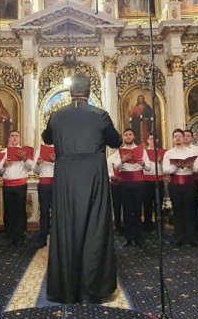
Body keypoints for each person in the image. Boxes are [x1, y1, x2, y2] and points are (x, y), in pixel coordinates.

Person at [42, 74, 122, 304]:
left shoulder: (57, 115)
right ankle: (92, 289)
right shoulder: (100, 115)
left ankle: (66, 290)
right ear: (88, 92)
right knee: (94, 228)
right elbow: (116, 142)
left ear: (70, 93)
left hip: (66, 175)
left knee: (66, 227)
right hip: (93, 175)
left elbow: (47, 138)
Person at [163, 128, 198, 247]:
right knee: (177, 211)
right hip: (175, 183)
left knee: (189, 210)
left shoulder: (191, 152)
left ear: (183, 138)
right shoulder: (169, 153)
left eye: (180, 136)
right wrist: (174, 168)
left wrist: (191, 167)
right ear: (173, 139)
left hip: (189, 182)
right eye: (175, 136)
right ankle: (178, 237)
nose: (178, 138)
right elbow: (164, 169)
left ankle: (191, 237)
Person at [111, 128, 151, 247]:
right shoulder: (119, 151)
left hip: (138, 181)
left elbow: (148, 167)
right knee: (127, 210)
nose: (128, 136)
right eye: (126, 135)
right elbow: (117, 167)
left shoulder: (141, 150)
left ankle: (138, 236)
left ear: (134, 136)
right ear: (124, 137)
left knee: (138, 210)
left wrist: (143, 164)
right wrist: (122, 160)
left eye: (130, 134)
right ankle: (128, 237)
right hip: (124, 182)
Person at [0, 130, 33, 246]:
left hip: (20, 184)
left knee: (20, 211)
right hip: (8, 185)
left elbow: (31, 167)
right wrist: (4, 164)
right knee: (9, 211)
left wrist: (25, 159)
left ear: (20, 139)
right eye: (12, 136)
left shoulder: (25, 152)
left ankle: (20, 234)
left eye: (16, 136)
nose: (14, 138)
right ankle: (10, 235)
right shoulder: (4, 152)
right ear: (9, 139)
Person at [34, 143, 56, 249]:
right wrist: (38, 164)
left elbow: (65, 169)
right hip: (43, 183)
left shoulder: (59, 149)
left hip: (57, 183)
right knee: (44, 211)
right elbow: (35, 171)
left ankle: (57, 238)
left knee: (57, 211)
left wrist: (56, 161)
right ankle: (42, 238)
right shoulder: (39, 151)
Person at [142, 134, 164, 233]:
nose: (152, 140)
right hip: (146, 181)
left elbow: (166, 168)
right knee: (147, 205)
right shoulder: (143, 152)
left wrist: (161, 161)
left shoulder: (162, 151)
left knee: (158, 204)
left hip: (158, 180)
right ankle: (147, 227)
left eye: (154, 138)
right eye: (150, 139)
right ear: (147, 140)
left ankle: (160, 227)